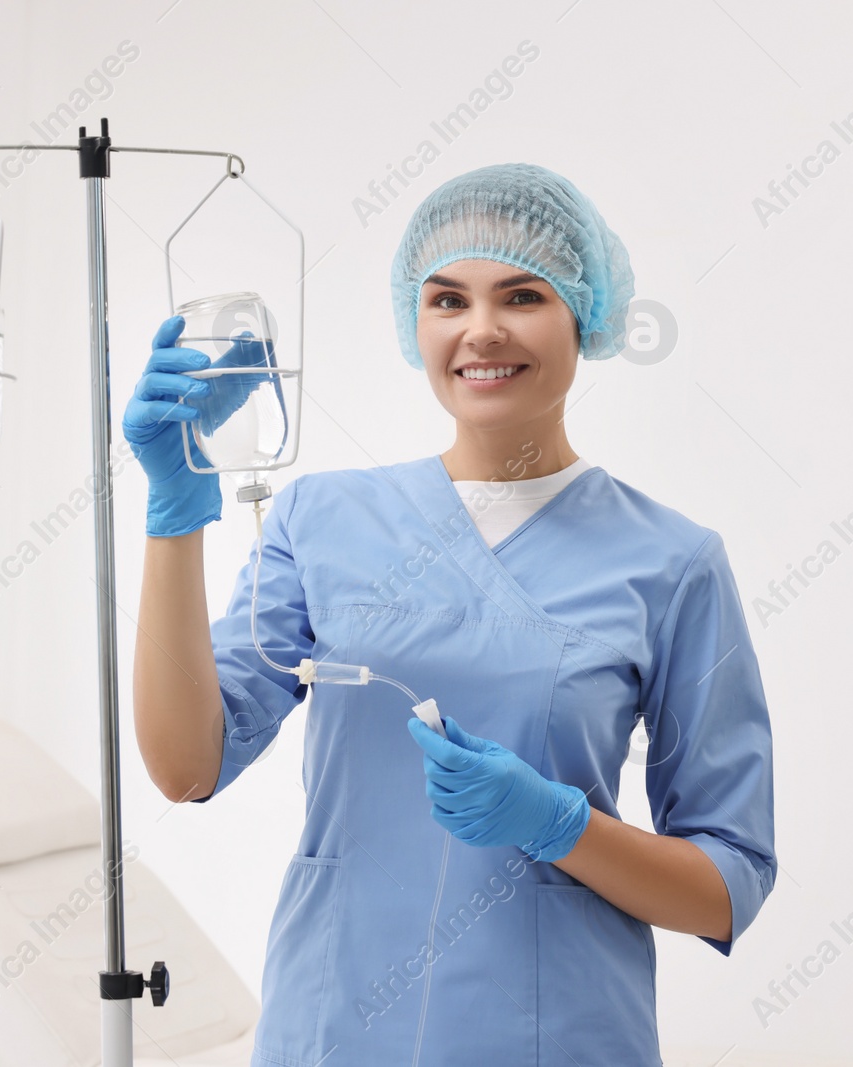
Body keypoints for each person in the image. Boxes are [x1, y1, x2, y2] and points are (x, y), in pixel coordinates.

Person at [124, 162, 777, 1067]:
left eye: (521, 294)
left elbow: (727, 884)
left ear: (582, 313)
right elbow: (183, 763)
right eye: (447, 299)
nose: (481, 330)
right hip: (338, 1025)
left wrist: (563, 823)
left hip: (557, 1036)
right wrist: (177, 506)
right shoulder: (322, 518)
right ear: (413, 323)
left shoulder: (671, 561)